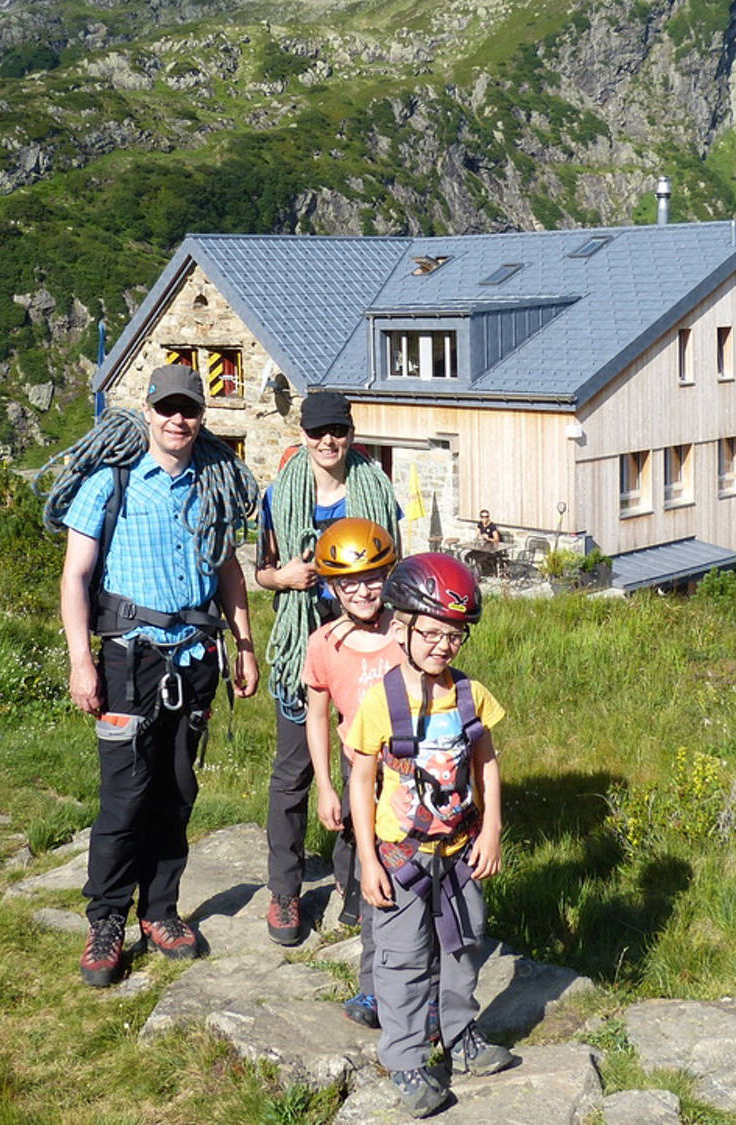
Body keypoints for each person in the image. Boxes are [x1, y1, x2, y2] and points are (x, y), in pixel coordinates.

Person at [48, 363, 262, 988]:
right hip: (127, 661)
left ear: (201, 416)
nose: (178, 419)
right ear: (148, 411)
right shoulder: (108, 484)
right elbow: (75, 578)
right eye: (167, 407)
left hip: (195, 660)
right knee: (125, 796)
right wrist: (80, 661)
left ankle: (161, 912)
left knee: (177, 791)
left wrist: (245, 647)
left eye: (189, 409)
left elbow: (228, 574)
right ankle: (107, 920)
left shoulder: (212, 485)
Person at [347, 554, 515, 1117]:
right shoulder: (381, 702)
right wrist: (367, 861)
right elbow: (362, 779)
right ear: (403, 629)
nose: (444, 646)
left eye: (456, 637)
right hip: (401, 859)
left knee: (464, 945)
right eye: (434, 634)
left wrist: (491, 828)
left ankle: (461, 1034)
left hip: (461, 851)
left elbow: (486, 763)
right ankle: (406, 1058)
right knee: (403, 960)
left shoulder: (470, 696)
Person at [255, 390, 400, 947]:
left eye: (337, 430)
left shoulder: (377, 488)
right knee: (294, 771)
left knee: (365, 762)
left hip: (365, 640)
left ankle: (354, 881)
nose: (327, 441)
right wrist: (284, 579)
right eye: (317, 432)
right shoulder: (282, 492)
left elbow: (396, 562)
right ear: (303, 432)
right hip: (304, 644)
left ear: (351, 430)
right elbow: (262, 569)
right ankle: (285, 890)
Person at [302, 518, 404, 1030]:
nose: (362, 591)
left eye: (372, 578)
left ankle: (422, 987)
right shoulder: (324, 645)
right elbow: (317, 716)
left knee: (418, 880)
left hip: (410, 772)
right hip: (359, 774)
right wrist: (324, 785)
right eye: (349, 583)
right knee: (372, 877)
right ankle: (372, 987)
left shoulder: (408, 631)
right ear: (332, 587)